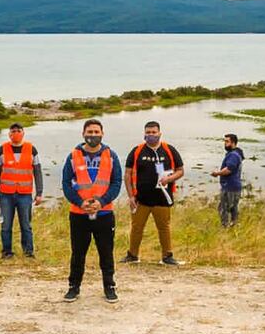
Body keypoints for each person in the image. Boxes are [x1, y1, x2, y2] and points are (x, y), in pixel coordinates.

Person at [61, 119, 123, 303]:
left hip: (104, 213)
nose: (93, 135)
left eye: (96, 132)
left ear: (102, 134)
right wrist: (80, 202)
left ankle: (109, 286)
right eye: (90, 132)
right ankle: (73, 287)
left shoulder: (111, 156)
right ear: (83, 134)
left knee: (106, 252)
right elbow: (66, 183)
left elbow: (116, 183)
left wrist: (101, 202)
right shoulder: (73, 156)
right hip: (79, 213)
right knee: (78, 253)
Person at [121, 121, 184, 265]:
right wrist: (131, 196)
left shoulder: (169, 150)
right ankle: (132, 255)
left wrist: (169, 179)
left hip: (162, 198)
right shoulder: (137, 151)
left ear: (159, 133)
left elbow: (180, 171)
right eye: (148, 132)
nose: (151, 135)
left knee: (164, 228)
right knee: (136, 228)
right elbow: (127, 174)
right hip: (141, 199)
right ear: (144, 134)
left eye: (154, 132)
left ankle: (167, 256)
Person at [0, 123, 43, 258]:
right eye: (13, 131)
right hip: (6, 195)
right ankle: (7, 252)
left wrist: (39, 193)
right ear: (9, 134)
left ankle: (28, 252)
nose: (16, 133)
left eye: (18, 131)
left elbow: (37, 172)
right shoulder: (1, 150)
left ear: (23, 133)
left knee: (26, 225)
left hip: (25, 194)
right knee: (6, 225)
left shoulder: (32, 150)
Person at [211, 133, 244, 228]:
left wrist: (217, 173)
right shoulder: (237, 154)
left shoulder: (233, 155)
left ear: (233, 143)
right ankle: (234, 225)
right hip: (235, 186)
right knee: (233, 208)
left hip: (229, 186)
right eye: (224, 141)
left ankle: (225, 227)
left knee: (223, 208)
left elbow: (229, 169)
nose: (225, 143)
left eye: (227, 141)